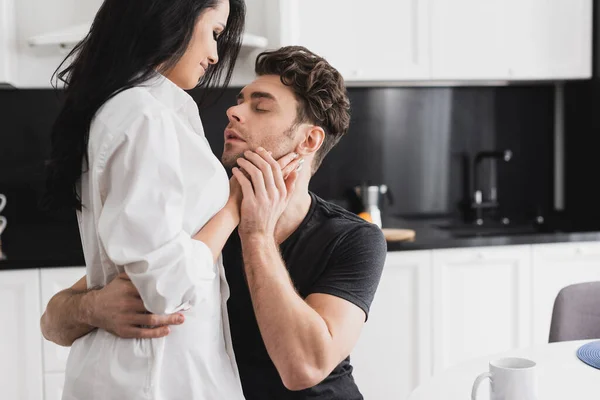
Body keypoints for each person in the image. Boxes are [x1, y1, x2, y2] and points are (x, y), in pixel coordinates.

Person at [42, 46, 387, 400]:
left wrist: (256, 233)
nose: (234, 111)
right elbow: (52, 321)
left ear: (308, 140)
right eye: (240, 100)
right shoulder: (206, 220)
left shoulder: (354, 240)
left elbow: (303, 368)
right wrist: (94, 308)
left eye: (261, 106)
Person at [42, 1, 298, 399]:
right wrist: (233, 206)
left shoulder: (150, 109)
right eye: (215, 33)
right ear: (176, 15)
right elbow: (165, 288)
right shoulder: (144, 115)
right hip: (151, 379)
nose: (215, 55)